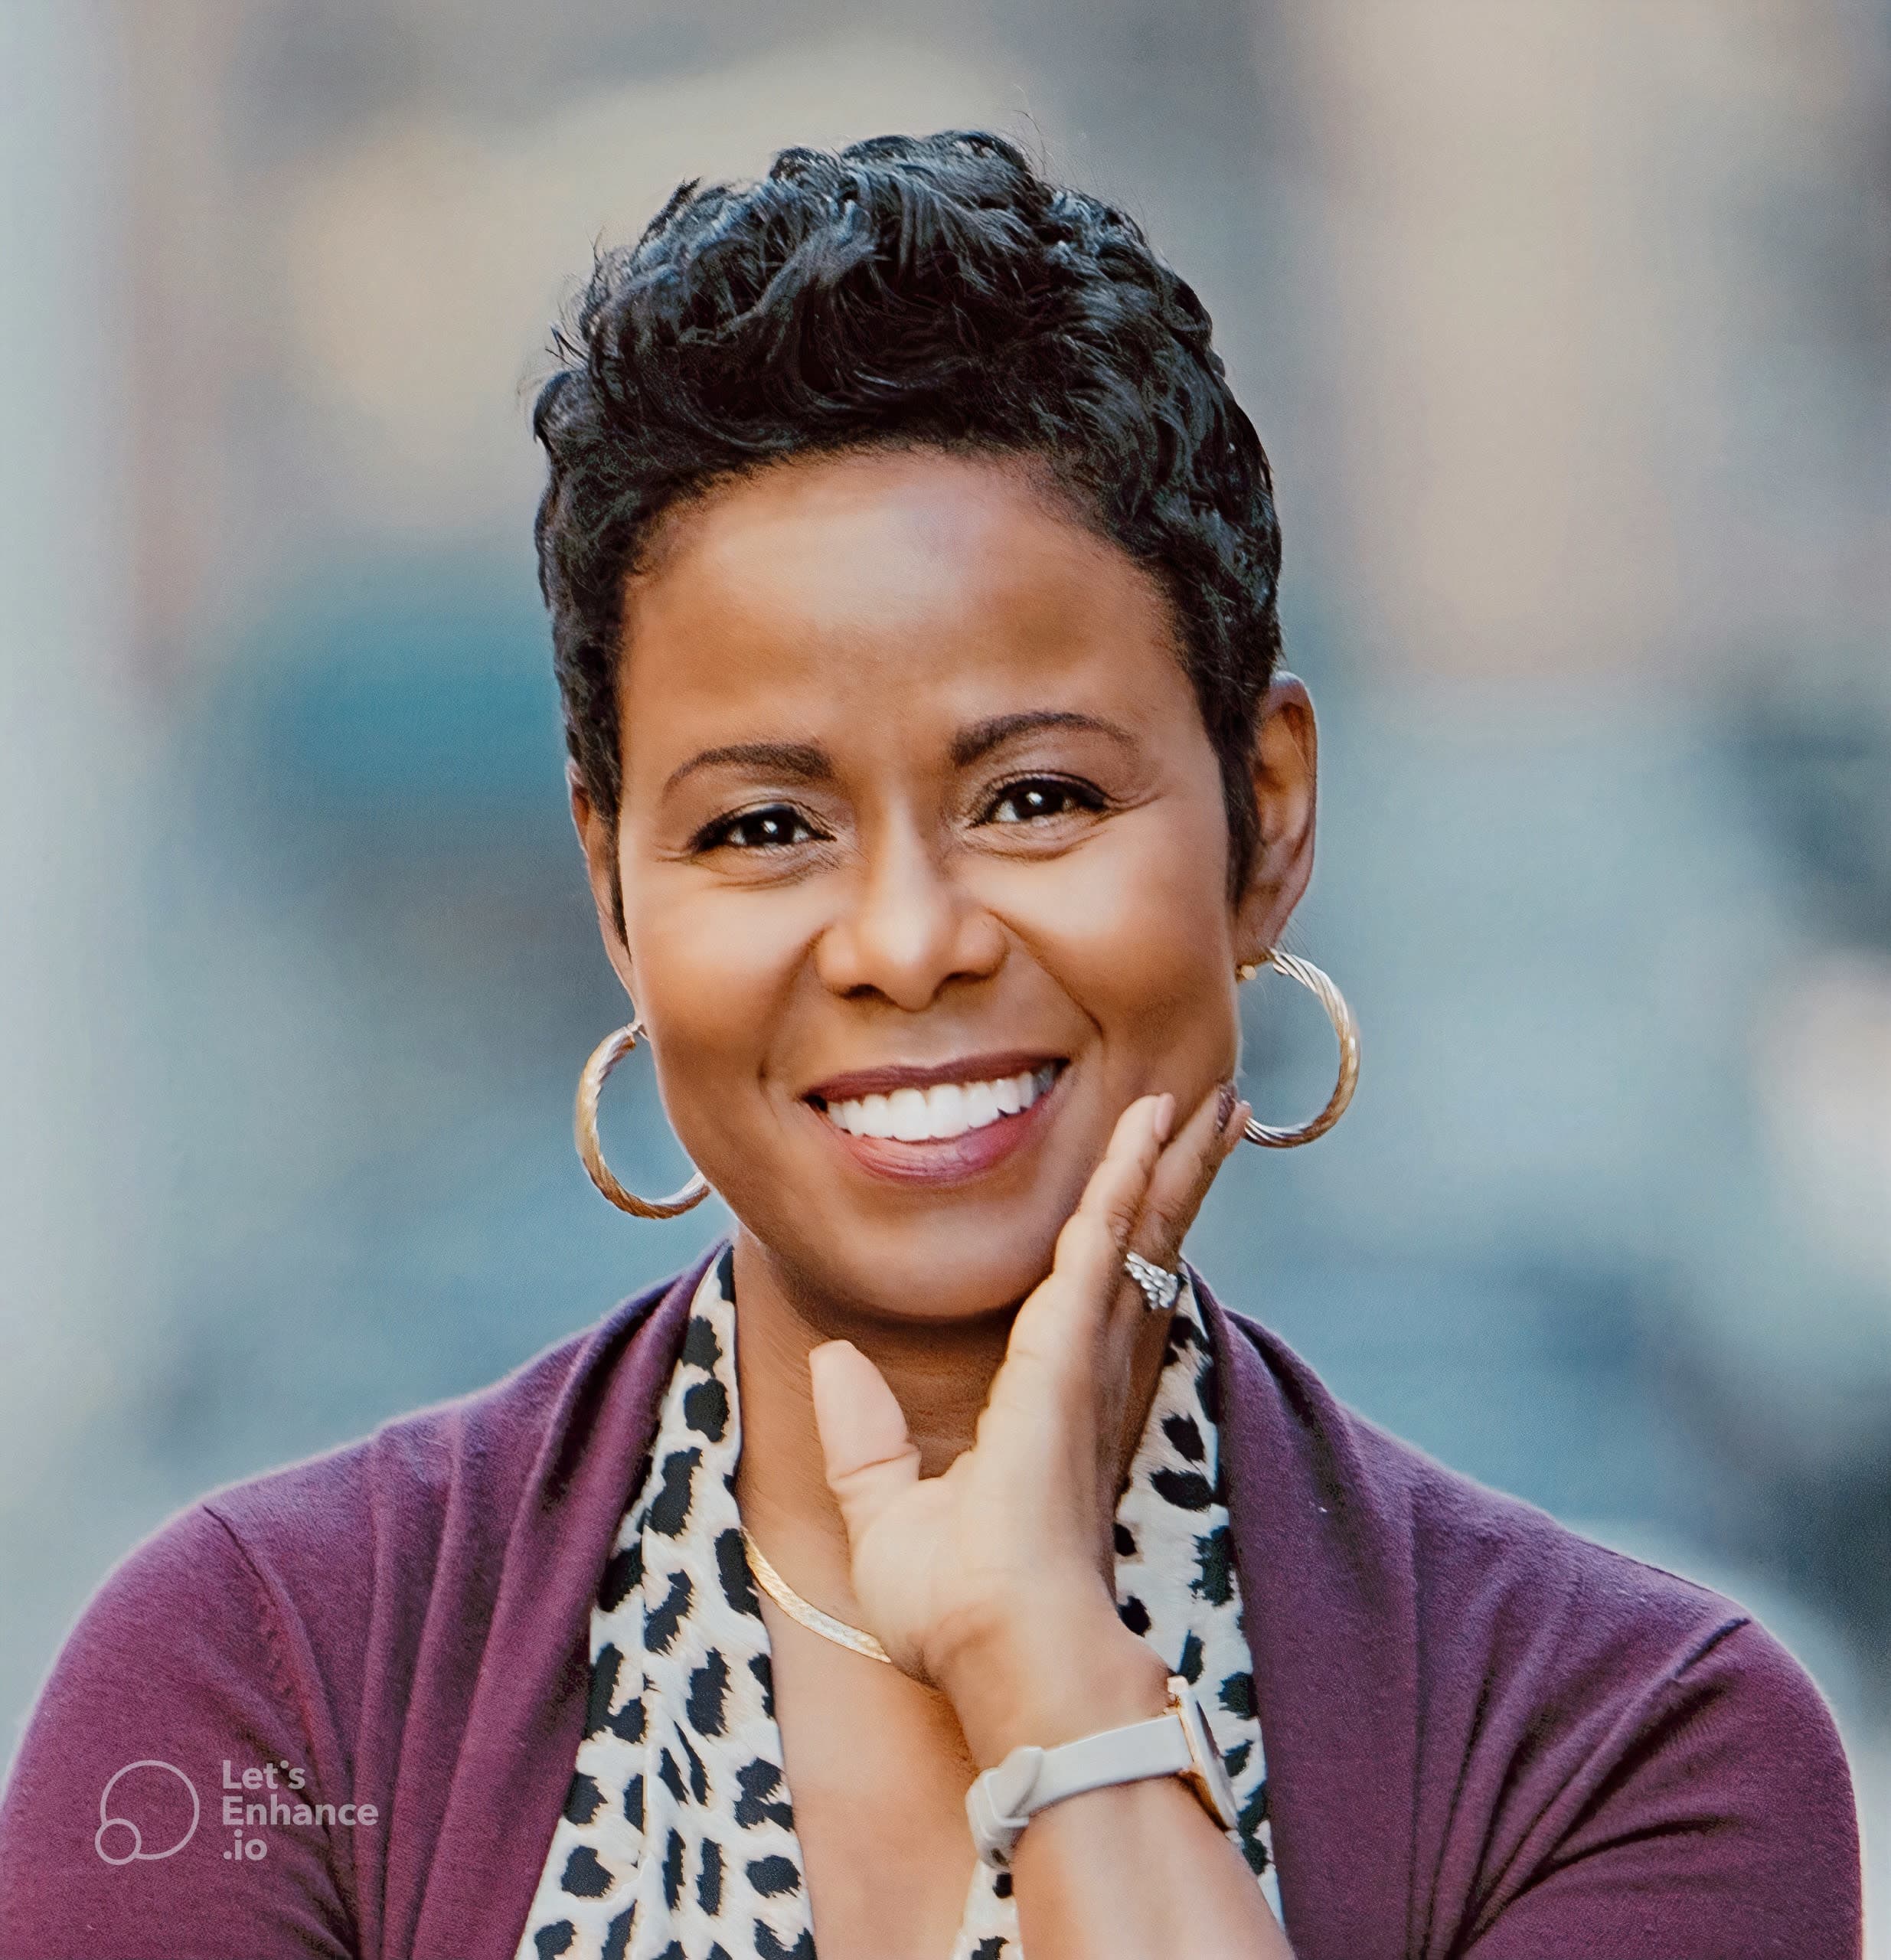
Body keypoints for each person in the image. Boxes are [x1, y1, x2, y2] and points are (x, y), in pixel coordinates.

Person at [0, 130, 1862, 1960]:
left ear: (1265, 818)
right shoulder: (269, 1685)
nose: (903, 941)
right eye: (759, 827)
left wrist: (1046, 1661)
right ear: (613, 893)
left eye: (1035, 794)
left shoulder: (1624, 1746)